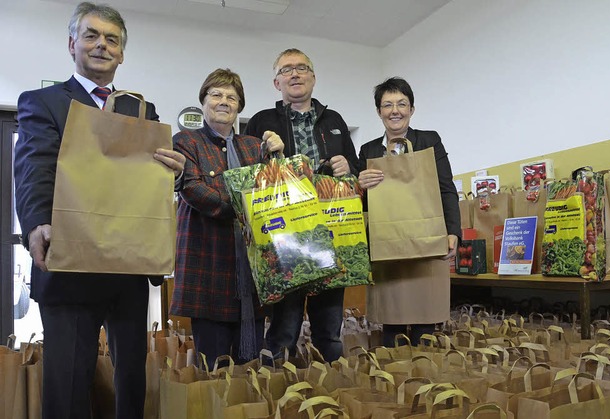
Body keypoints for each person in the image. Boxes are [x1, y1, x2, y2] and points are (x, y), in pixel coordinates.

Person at [13, 3, 185, 418]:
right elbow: (33, 166)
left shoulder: (142, 111)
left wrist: (174, 176)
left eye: (112, 40)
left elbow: (149, 183)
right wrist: (37, 224)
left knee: (131, 383)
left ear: (122, 54)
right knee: (68, 384)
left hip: (127, 269)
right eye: (91, 36)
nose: (101, 45)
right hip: (69, 263)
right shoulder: (44, 102)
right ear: (73, 44)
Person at [245, 48, 359, 362]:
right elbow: (247, 176)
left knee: (329, 327)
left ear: (312, 77)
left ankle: (331, 395)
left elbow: (357, 171)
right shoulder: (260, 121)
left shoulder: (334, 120)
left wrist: (348, 167)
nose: (295, 74)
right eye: (287, 69)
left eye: (302, 68)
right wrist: (269, 158)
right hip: (285, 237)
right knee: (284, 326)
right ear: (276, 82)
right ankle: (277, 396)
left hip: (332, 230)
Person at [170, 68, 284, 367]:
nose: (224, 101)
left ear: (239, 106)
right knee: (212, 369)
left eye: (231, 97)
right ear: (204, 101)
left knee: (251, 372)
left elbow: (276, 195)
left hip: (252, 274)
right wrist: (246, 209)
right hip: (207, 269)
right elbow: (193, 190)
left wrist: (278, 157)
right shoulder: (185, 141)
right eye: (216, 94)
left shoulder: (253, 146)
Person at [357, 77, 461, 347]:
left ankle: (424, 376)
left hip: (427, 239)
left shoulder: (429, 140)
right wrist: (361, 185)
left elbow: (446, 188)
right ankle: (396, 377)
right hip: (388, 243)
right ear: (379, 111)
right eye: (388, 104)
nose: (395, 110)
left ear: (412, 109)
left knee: (426, 319)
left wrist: (453, 232)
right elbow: (362, 204)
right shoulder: (368, 150)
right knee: (392, 319)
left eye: (402, 104)